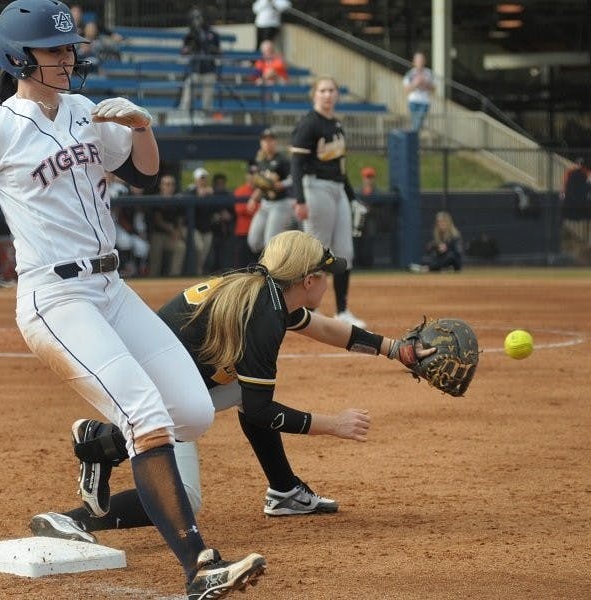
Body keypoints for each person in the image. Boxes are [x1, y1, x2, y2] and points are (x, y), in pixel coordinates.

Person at [0, 2, 266, 598]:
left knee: (192, 413)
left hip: (111, 287)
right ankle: (199, 565)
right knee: (146, 415)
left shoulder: (86, 111)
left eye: (68, 47)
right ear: (17, 58)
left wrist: (142, 127)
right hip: (55, 297)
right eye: (53, 49)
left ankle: (97, 444)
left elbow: (145, 175)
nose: (67, 57)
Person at [28, 230, 434, 538]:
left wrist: (394, 349)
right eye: (325, 274)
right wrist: (334, 424)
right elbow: (261, 411)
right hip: (154, 396)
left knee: (244, 388)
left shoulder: (262, 289)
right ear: (309, 280)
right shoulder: (264, 316)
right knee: (186, 497)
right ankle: (83, 496)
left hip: (158, 380)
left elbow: (325, 328)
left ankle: (285, 491)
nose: (330, 281)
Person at [291, 75, 366, 328]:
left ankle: (342, 310)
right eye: (322, 90)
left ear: (337, 94)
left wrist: (352, 197)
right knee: (317, 252)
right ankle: (308, 310)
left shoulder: (336, 125)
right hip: (316, 187)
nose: (327, 94)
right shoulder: (309, 124)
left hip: (337, 188)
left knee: (344, 252)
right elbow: (296, 164)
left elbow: (340, 167)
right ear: (314, 94)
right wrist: (300, 199)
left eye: (331, 90)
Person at [247, 128, 293, 256]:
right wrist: (253, 199)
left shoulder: (282, 160)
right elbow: (262, 185)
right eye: (265, 140)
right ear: (261, 143)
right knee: (254, 242)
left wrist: (282, 184)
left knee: (270, 242)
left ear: (275, 142)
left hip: (280, 204)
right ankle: (280, 257)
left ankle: (274, 264)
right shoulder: (261, 161)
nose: (268, 143)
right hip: (265, 204)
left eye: (271, 140)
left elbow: (293, 178)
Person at [178, 6, 220, 113]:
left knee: (208, 92)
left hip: (209, 68)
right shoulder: (190, 34)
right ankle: (184, 111)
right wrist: (190, 48)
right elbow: (183, 51)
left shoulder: (213, 34)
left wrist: (211, 48)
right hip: (195, 68)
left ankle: (206, 112)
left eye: (199, 17)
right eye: (195, 18)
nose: (198, 20)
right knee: (188, 88)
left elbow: (219, 52)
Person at [147, 173, 186, 277]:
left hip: (171, 236)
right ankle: (153, 277)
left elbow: (180, 219)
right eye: (167, 184)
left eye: (172, 184)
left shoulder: (177, 200)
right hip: (157, 234)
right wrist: (172, 231)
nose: (170, 187)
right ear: (161, 186)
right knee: (156, 250)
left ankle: (174, 276)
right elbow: (158, 221)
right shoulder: (156, 199)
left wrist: (177, 232)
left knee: (180, 247)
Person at [232, 164, 260, 269]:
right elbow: (239, 209)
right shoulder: (240, 190)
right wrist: (258, 210)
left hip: (259, 233)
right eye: (251, 173)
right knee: (241, 266)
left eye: (256, 173)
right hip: (243, 232)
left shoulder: (262, 191)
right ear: (247, 175)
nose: (253, 176)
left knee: (258, 266)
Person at [403, 51, 435, 133]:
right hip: (413, 101)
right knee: (415, 123)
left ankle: (413, 136)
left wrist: (425, 83)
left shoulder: (428, 73)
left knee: (417, 123)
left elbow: (433, 89)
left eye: (421, 60)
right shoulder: (410, 73)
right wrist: (415, 83)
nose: (420, 62)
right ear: (414, 62)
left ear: (424, 61)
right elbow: (406, 89)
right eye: (418, 60)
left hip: (424, 102)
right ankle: (414, 137)